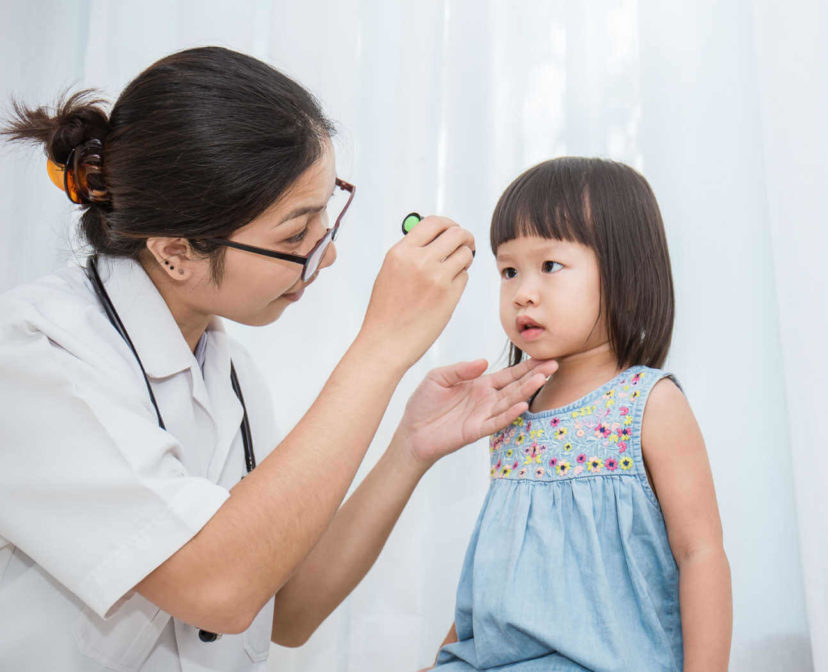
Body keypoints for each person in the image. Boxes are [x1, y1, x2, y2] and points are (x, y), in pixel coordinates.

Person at [0, 46, 556, 671]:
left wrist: (410, 448)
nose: (327, 255)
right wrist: (379, 348)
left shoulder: (231, 376)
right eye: (295, 235)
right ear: (175, 252)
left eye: (326, 217)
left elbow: (287, 610)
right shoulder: (34, 356)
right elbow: (220, 590)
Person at [427, 157, 732, 671]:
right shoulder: (511, 410)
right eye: (508, 270)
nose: (523, 290)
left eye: (549, 266)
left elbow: (700, 554)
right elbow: (493, 568)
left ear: (623, 273)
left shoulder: (648, 402)